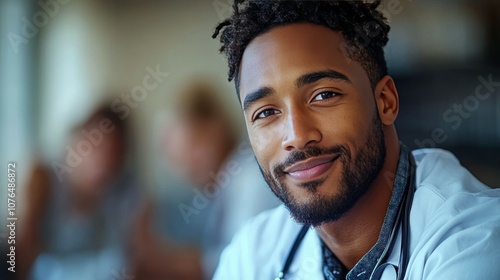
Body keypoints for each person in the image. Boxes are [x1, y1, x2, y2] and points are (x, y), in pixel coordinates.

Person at [211, 1, 500, 279]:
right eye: (266, 112)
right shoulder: (253, 252)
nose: (297, 137)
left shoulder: (475, 239)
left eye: (324, 95)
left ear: (385, 101)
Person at [131, 80, 279, 279]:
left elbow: (240, 265)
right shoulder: (222, 187)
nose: (187, 168)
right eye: (178, 161)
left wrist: (158, 258)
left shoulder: (249, 180)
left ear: (216, 129)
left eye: (193, 147)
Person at [17, 105, 143, 280]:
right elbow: (19, 252)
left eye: (112, 153)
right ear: (78, 142)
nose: (102, 162)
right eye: (96, 147)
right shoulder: (42, 177)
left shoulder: (122, 192)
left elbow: (131, 258)